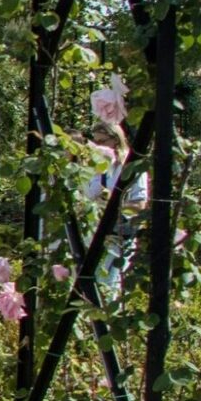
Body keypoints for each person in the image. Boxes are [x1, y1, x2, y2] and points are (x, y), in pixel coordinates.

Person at [85, 123, 150, 302]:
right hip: (92, 236)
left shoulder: (130, 167)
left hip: (117, 238)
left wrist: (113, 205)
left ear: (115, 140)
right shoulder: (94, 168)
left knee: (108, 291)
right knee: (88, 290)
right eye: (95, 142)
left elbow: (139, 205)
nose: (98, 146)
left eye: (102, 141)